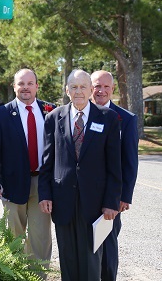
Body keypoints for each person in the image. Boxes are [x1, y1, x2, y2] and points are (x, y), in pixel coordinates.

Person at [38, 69, 122, 281]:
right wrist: (45, 194)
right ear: (67, 90)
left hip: (94, 203)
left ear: (91, 90)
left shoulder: (108, 118)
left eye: (83, 87)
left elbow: (114, 166)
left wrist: (111, 202)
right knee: (68, 259)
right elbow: (47, 162)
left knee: (91, 261)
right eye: (74, 87)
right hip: (62, 200)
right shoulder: (53, 117)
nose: (78, 92)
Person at [0, 68, 54, 277]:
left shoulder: (50, 111)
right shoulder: (1, 114)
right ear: (14, 87)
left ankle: (37, 276)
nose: (25, 87)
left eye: (30, 83)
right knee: (14, 235)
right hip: (12, 183)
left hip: (43, 184)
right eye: (21, 83)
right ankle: (13, 275)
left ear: (36, 86)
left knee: (40, 237)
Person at [91, 70, 139, 281]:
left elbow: (130, 162)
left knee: (107, 245)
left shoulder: (126, 119)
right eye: (96, 86)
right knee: (85, 246)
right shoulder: (79, 115)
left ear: (113, 89)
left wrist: (124, 197)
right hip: (82, 194)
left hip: (111, 196)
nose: (101, 90)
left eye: (106, 87)